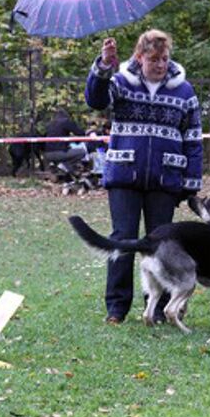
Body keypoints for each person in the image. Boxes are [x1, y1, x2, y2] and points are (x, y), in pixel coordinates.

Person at [85, 29, 203, 325]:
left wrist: (190, 183)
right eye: (153, 59)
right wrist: (103, 65)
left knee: (162, 244)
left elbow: (193, 138)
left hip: (165, 178)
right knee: (122, 238)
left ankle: (161, 305)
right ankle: (117, 307)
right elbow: (95, 100)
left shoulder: (184, 91)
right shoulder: (121, 81)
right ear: (139, 57)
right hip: (125, 173)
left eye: (164, 58)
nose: (160, 64)